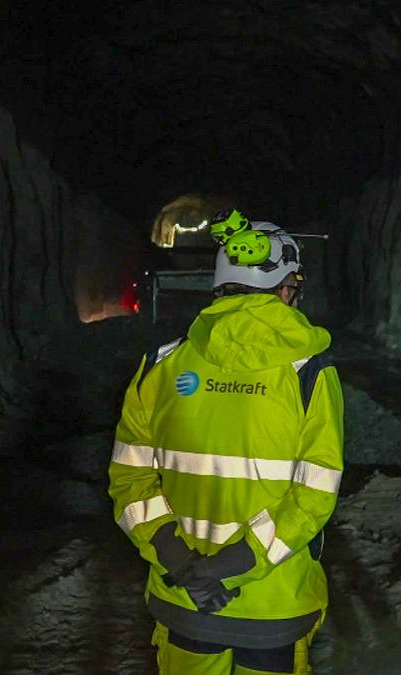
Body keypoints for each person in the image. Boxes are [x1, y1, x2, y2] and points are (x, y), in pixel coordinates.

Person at [108, 209, 344, 675]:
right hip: (274, 604)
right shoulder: (310, 372)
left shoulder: (161, 366)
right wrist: (232, 564)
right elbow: (314, 496)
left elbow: (129, 481)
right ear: (285, 289)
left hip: (185, 598)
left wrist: (183, 564)